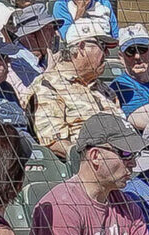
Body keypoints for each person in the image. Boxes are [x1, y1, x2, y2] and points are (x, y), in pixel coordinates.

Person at [31, 14, 119, 157]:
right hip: (86, 167)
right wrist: (93, 158)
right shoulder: (48, 85)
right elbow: (54, 142)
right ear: (81, 47)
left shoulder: (105, 90)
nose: (107, 53)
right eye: (103, 46)